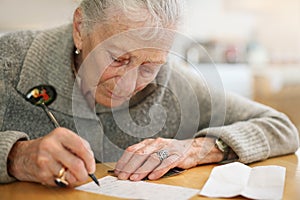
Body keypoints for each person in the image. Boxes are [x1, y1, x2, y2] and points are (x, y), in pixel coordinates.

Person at [0, 0, 299, 188]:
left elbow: (281, 127)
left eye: (150, 65)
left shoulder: (174, 83)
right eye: (118, 59)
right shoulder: (10, 61)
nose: (128, 87)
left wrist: (197, 148)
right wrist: (15, 156)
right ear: (81, 28)